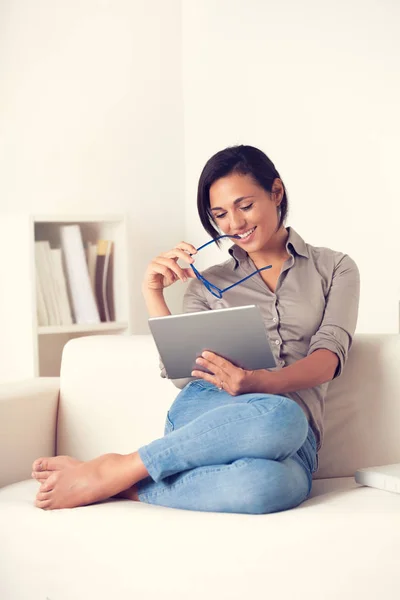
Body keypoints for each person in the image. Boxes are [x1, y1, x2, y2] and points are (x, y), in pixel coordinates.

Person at [31, 145, 360, 514]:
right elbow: (184, 376)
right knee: (280, 416)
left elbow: (328, 359)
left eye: (245, 205)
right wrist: (152, 292)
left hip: (291, 437)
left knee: (268, 483)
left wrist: (258, 382)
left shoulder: (335, 268)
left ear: (276, 193)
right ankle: (120, 467)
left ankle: (121, 479)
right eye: (220, 214)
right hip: (208, 411)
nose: (234, 224)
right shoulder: (208, 283)